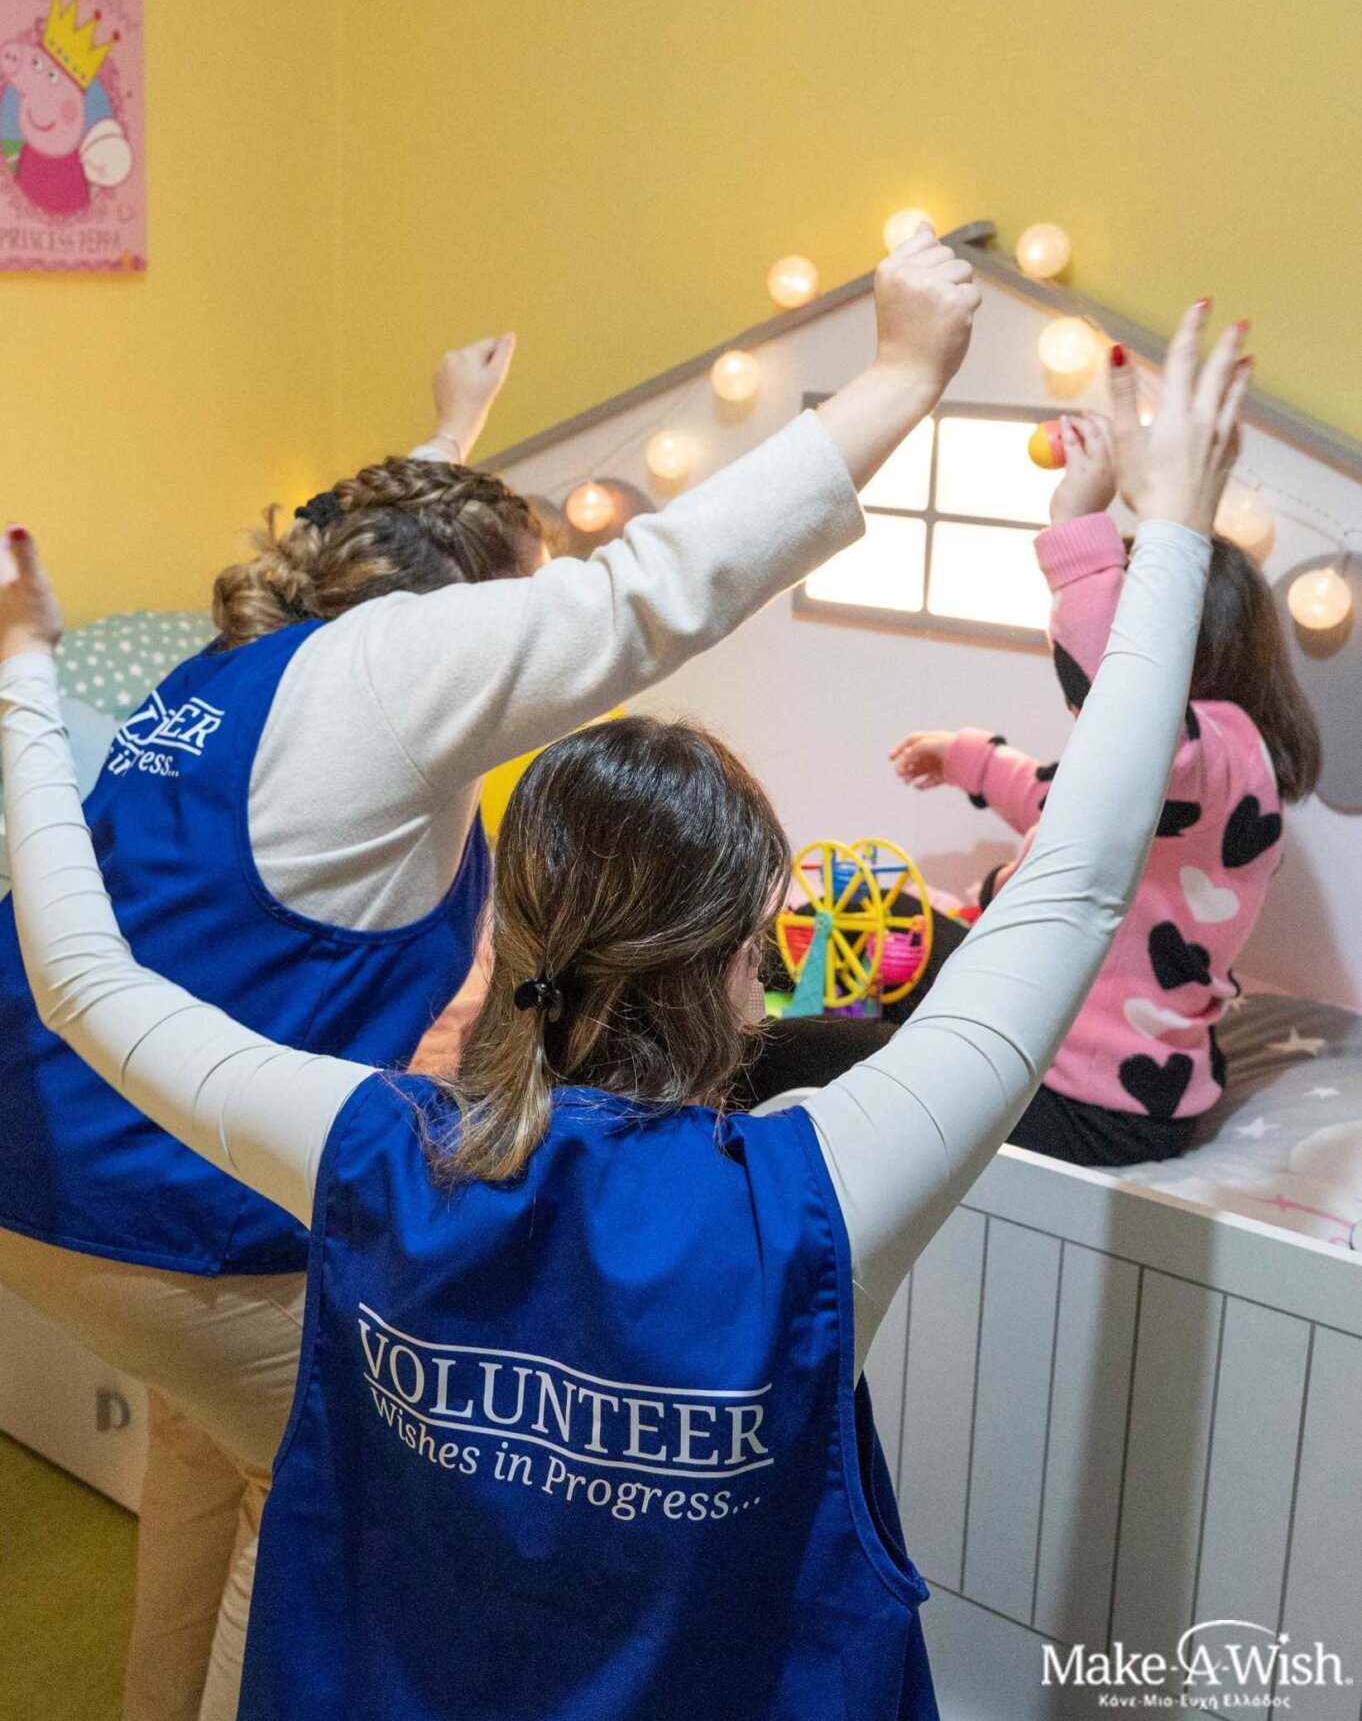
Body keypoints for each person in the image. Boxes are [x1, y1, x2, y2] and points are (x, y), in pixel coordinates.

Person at [0, 312, 1247, 1718]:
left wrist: (23, 668)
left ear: (519, 926)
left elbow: (84, 982)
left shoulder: (366, 1150)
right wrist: (1170, 530)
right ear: (747, 956)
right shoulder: (824, 1194)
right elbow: (1081, 881)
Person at [890, 340, 1316, 1166]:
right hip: (1077, 1070)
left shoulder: (1221, 751)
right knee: (884, 922)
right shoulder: (1201, 766)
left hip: (1087, 1098)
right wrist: (967, 759)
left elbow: (1119, 696)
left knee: (822, 1037)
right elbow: (1069, 799)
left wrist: (1077, 528)